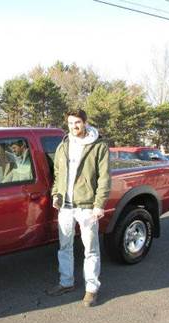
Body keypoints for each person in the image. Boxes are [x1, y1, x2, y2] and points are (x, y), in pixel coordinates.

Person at [46, 109, 111, 307]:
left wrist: (99, 205)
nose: (74, 127)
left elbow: (104, 178)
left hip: (87, 207)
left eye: (77, 123)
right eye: (71, 123)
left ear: (85, 122)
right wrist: (56, 195)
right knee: (64, 247)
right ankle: (66, 282)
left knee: (90, 249)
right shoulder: (63, 146)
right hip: (65, 207)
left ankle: (91, 289)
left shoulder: (98, 146)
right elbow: (57, 174)